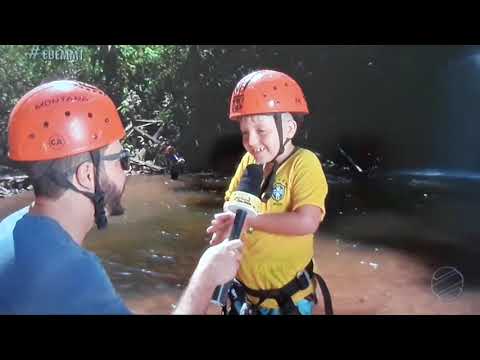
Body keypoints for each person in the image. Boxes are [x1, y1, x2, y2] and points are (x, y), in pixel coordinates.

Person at [0, 80, 242, 315]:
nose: (126, 170)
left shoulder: (9, 229)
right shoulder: (73, 272)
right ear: (87, 175)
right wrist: (206, 278)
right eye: (121, 160)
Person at [207, 70, 333, 315]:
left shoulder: (304, 163)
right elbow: (232, 204)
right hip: (246, 297)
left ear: (289, 128)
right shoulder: (249, 161)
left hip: (287, 301)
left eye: (261, 130)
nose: (251, 141)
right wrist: (228, 226)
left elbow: (308, 221)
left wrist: (250, 220)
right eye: (245, 132)